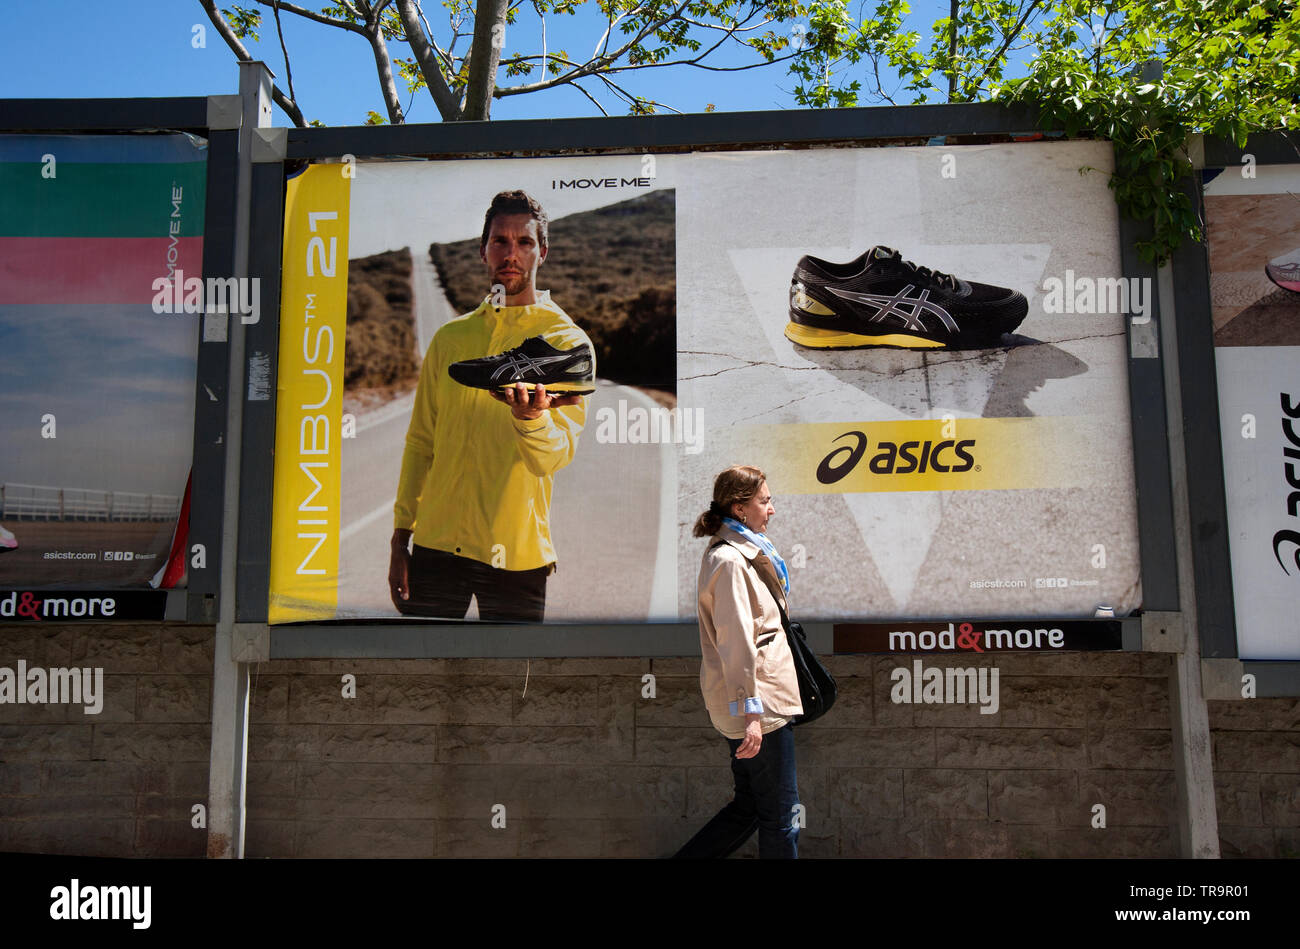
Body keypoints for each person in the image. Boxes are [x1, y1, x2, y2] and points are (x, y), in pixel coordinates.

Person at [388, 190, 594, 622]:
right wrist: (400, 538)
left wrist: (531, 419)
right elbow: (421, 442)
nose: (511, 254)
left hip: (516, 554)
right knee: (425, 681)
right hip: (436, 547)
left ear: (543, 252)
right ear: (483, 251)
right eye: (500, 241)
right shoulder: (451, 340)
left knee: (511, 687)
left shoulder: (567, 344)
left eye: (524, 243)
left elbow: (554, 458)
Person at [674, 465, 803, 859]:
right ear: (740, 507)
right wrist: (752, 714)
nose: (772, 509)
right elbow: (736, 643)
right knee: (782, 815)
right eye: (764, 501)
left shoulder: (741, 554)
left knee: (749, 807)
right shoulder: (730, 561)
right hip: (758, 704)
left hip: (755, 701)